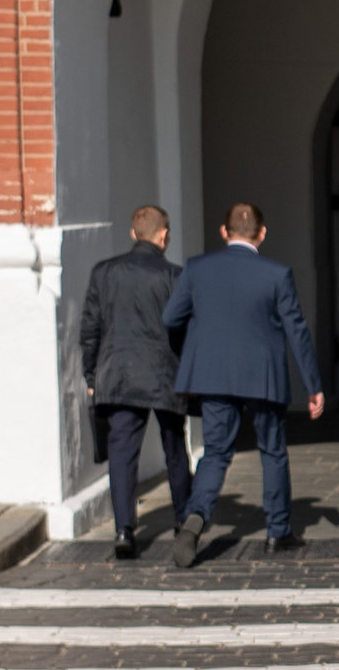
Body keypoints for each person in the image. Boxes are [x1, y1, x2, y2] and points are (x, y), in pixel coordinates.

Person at [162, 201, 325, 566]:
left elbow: (171, 317)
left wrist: (198, 347)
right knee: (272, 450)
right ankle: (277, 531)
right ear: (262, 234)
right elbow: (297, 333)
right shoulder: (277, 274)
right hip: (262, 374)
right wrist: (313, 385)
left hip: (213, 375)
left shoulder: (197, 269)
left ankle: (195, 518)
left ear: (224, 231)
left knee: (216, 452)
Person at [80, 203, 192, 560]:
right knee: (175, 447)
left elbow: (91, 328)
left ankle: (124, 529)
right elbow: (185, 329)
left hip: (118, 374)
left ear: (133, 233)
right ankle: (182, 519)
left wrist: (91, 374)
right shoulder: (175, 276)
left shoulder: (104, 272)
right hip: (164, 374)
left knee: (122, 453)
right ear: (165, 235)